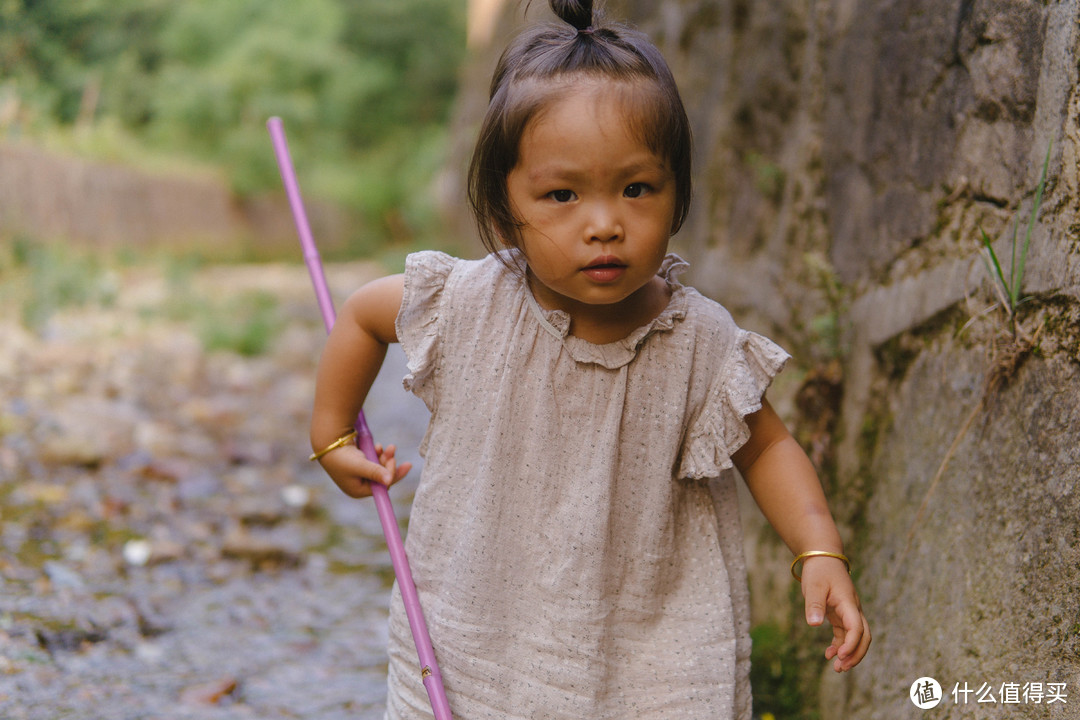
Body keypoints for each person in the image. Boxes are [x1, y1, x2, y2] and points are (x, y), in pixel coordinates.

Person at [309, 1, 871, 717]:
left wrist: (818, 549)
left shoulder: (696, 338)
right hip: (484, 628)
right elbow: (362, 315)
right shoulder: (471, 304)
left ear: (677, 192)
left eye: (637, 189)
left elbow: (766, 448)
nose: (604, 223)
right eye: (562, 194)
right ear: (506, 202)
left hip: (651, 645)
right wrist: (330, 434)